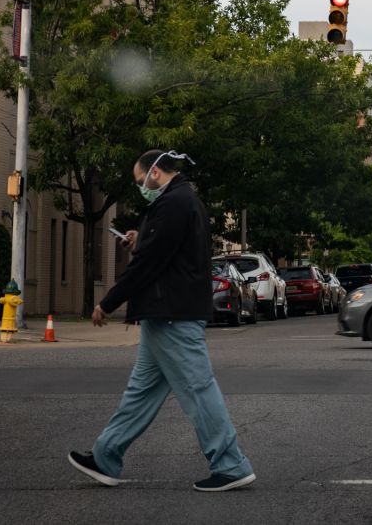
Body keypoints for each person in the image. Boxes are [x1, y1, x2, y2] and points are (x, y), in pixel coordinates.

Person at [68, 149, 255, 492]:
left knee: (198, 390)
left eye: (141, 181)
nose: (141, 187)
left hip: (173, 315)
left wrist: (108, 303)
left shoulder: (172, 204)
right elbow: (169, 251)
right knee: (140, 393)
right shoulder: (184, 200)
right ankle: (106, 456)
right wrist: (142, 238)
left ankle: (231, 465)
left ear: (156, 172)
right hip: (167, 314)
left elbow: (149, 264)